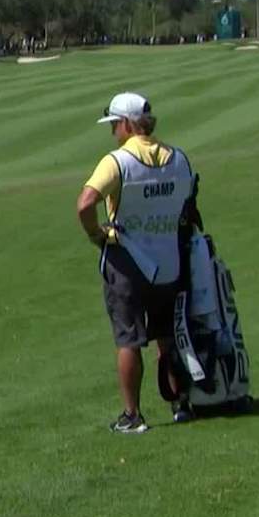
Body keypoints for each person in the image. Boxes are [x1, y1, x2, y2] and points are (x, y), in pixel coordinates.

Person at [76, 92, 197, 433]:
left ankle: (133, 416)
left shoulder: (117, 161)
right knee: (168, 337)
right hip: (169, 261)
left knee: (128, 339)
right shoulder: (179, 158)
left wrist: (95, 235)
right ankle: (180, 403)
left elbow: (85, 204)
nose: (113, 131)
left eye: (115, 124)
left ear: (128, 124)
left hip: (127, 263)